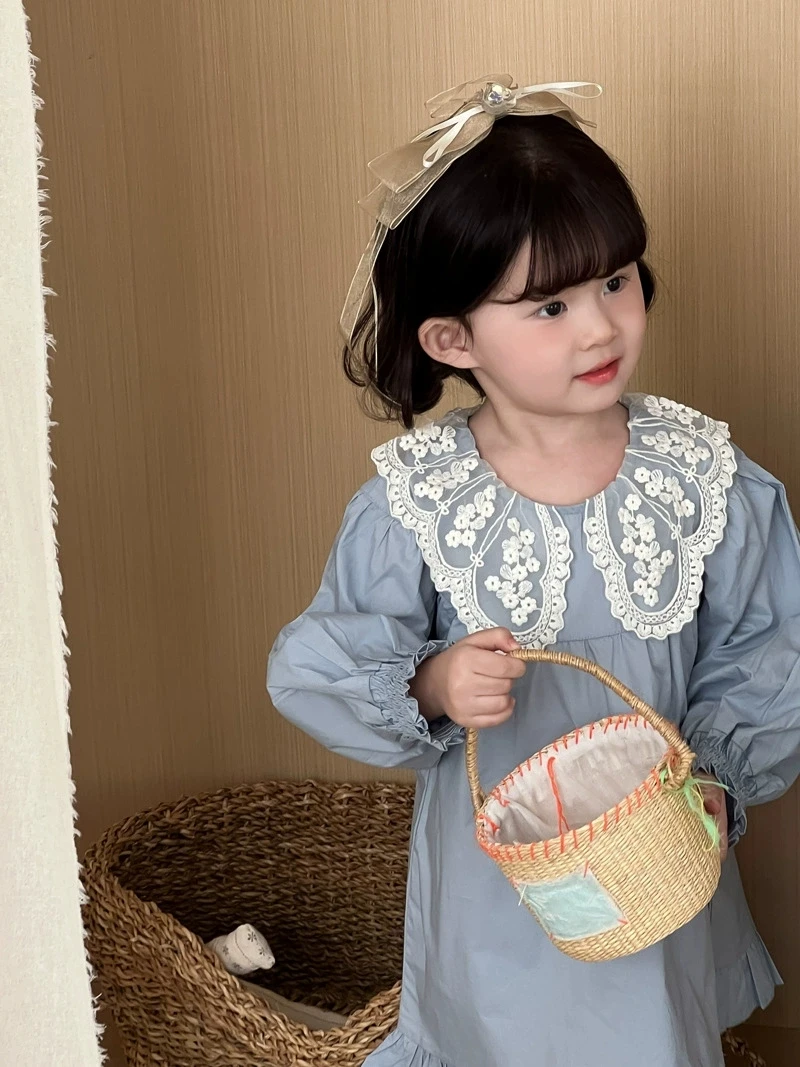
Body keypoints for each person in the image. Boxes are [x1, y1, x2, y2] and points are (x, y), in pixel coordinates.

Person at [267, 76, 800, 1066]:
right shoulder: (419, 503)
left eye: (615, 281)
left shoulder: (699, 477)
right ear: (453, 338)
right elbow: (322, 661)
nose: (599, 327)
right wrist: (432, 681)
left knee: (650, 1032)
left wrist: (718, 777)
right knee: (499, 1039)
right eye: (549, 304)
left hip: (650, 861)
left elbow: (771, 647)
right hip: (495, 897)